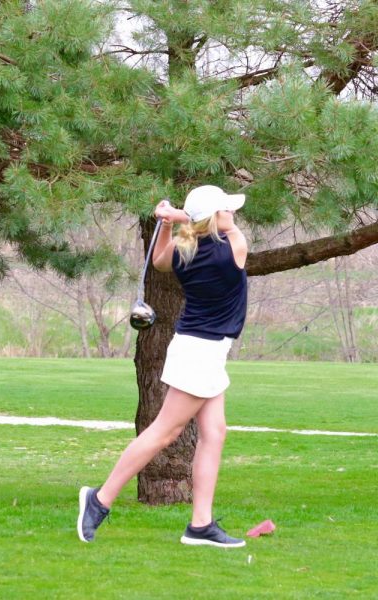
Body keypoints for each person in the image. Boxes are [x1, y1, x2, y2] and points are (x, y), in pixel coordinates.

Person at [77, 185, 249, 548]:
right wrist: (182, 217)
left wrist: (170, 222)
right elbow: (221, 228)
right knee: (164, 432)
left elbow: (158, 261)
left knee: (215, 433)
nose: (232, 215)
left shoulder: (184, 251)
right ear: (214, 218)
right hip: (200, 352)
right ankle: (100, 498)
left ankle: (200, 525)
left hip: (203, 350)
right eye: (226, 210)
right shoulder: (232, 247)